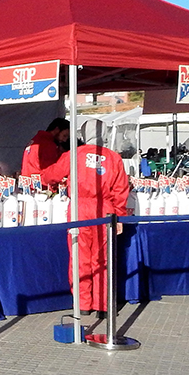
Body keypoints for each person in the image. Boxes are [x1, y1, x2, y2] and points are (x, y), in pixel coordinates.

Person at [41, 119, 130, 315]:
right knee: (103, 260)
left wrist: (43, 177)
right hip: (105, 211)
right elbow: (121, 189)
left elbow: (50, 175)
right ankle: (103, 305)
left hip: (79, 210)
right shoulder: (114, 158)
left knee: (80, 258)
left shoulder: (73, 155)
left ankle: (83, 305)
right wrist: (119, 215)